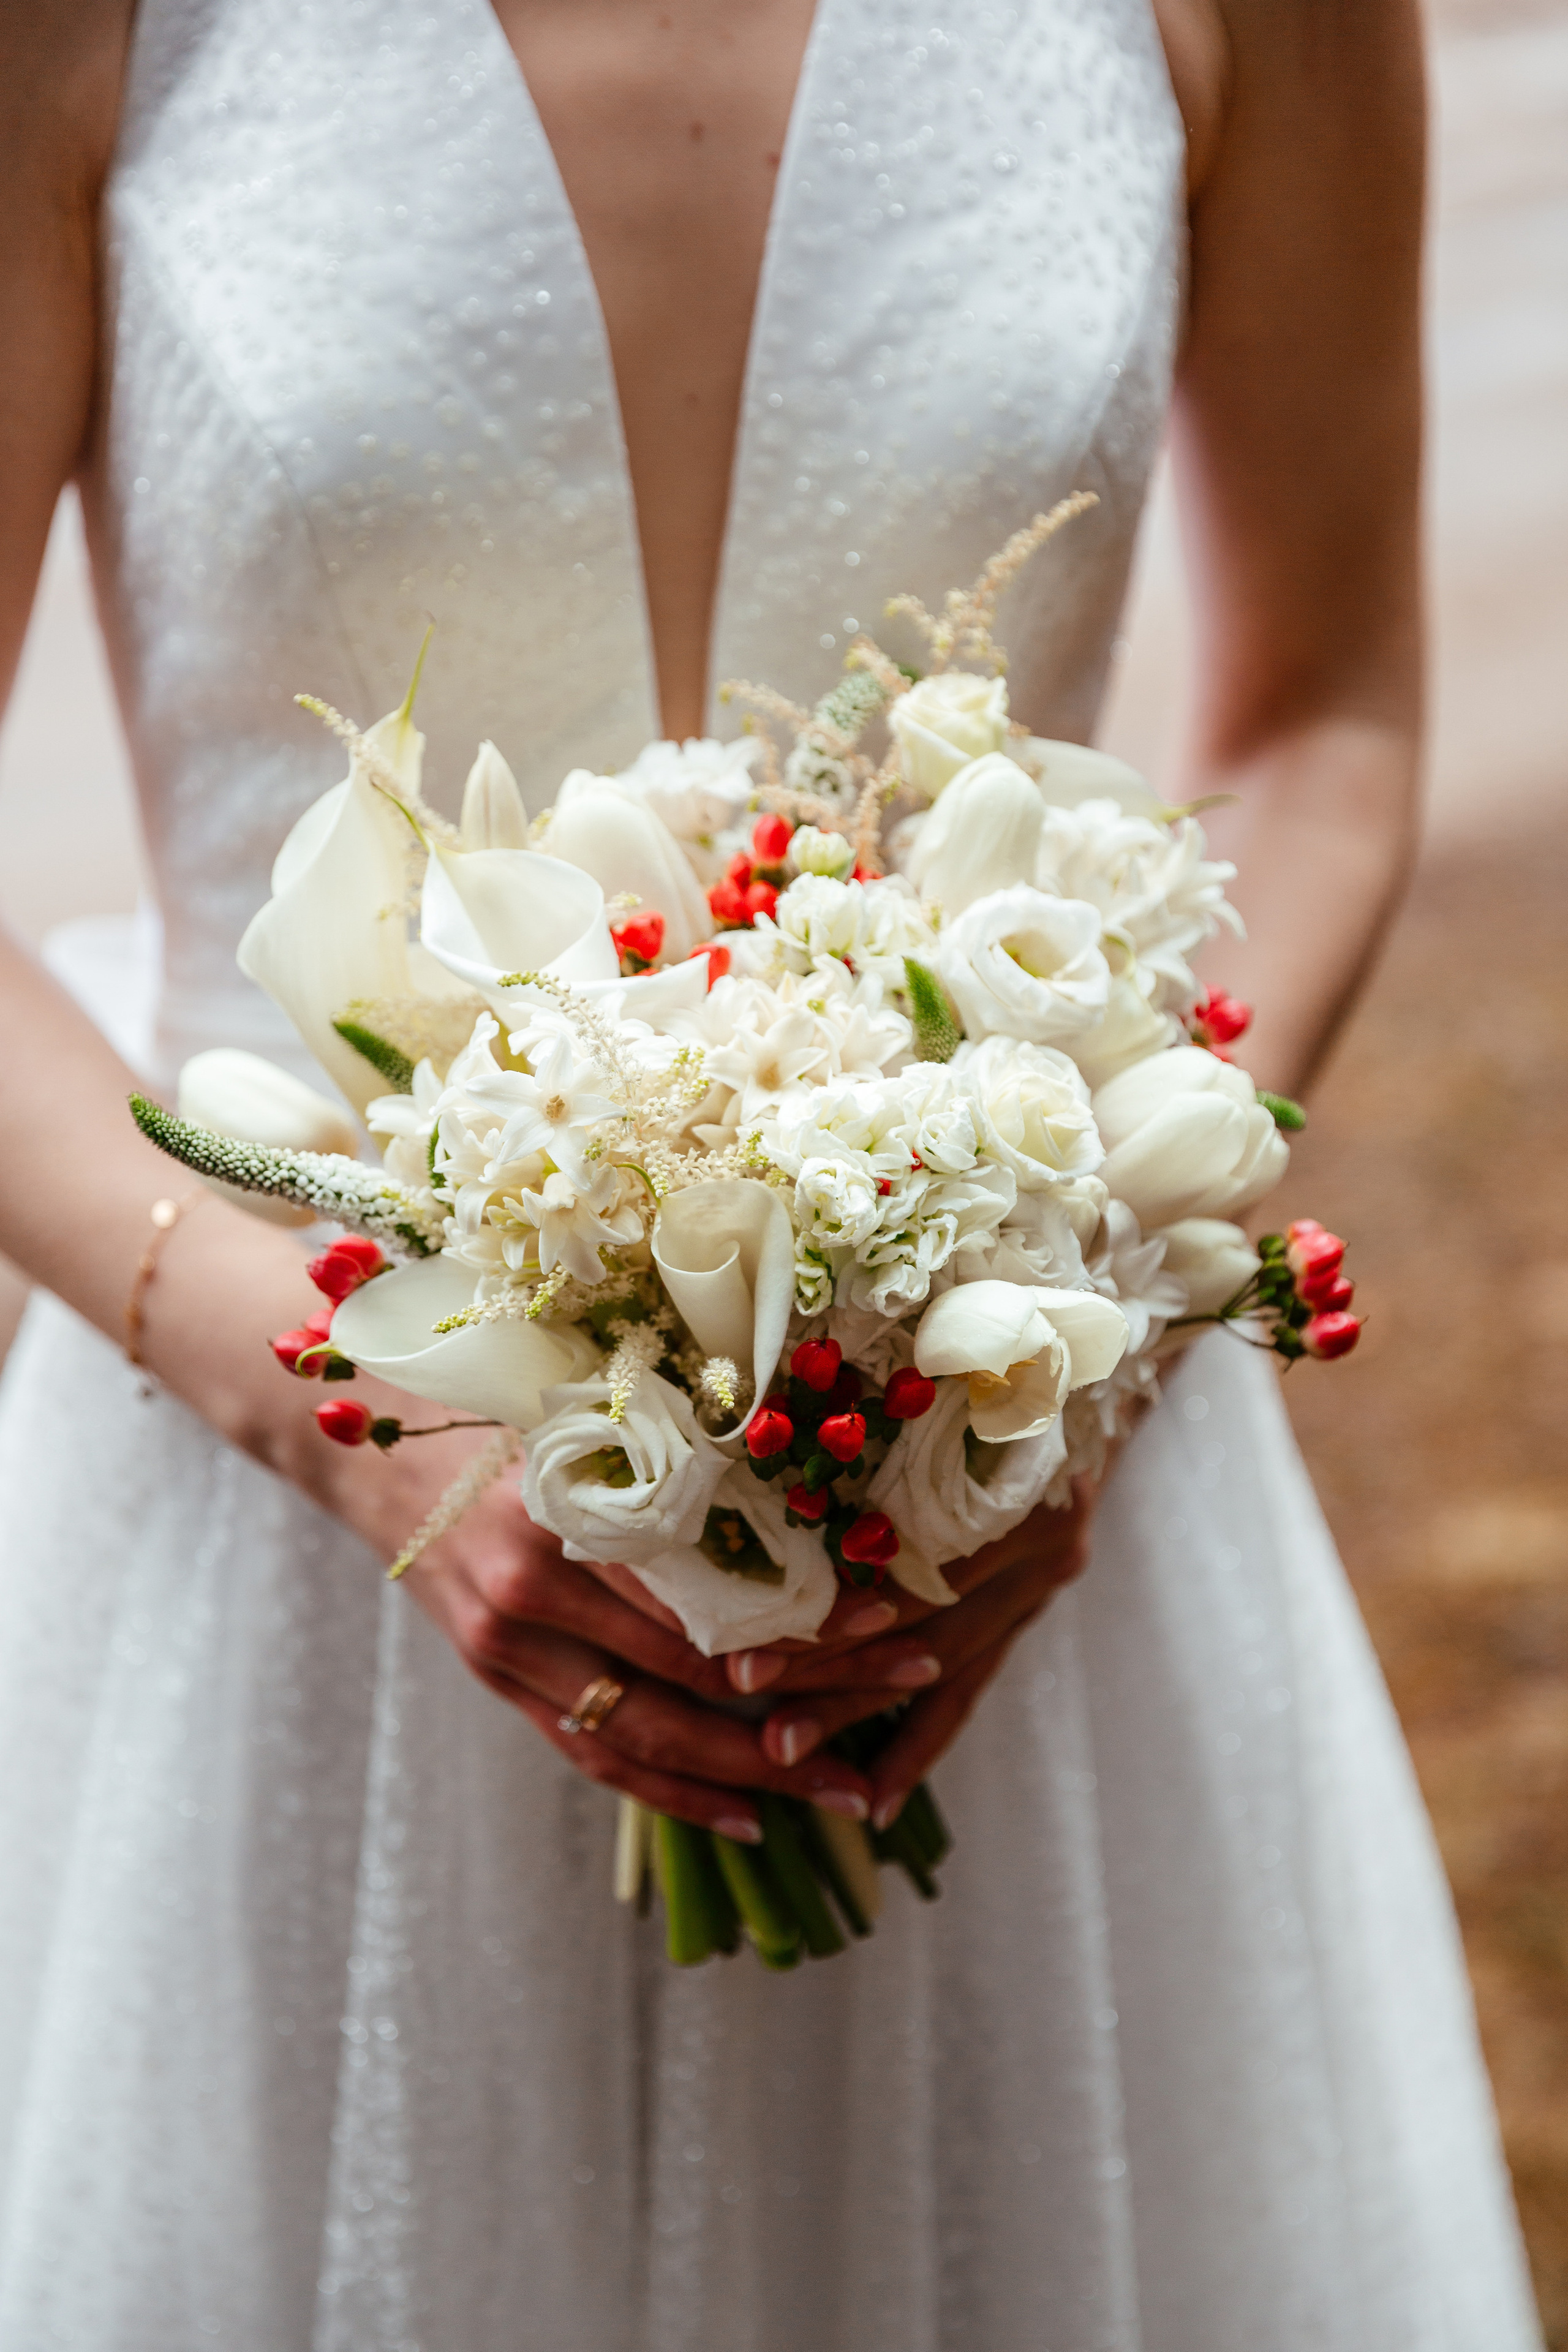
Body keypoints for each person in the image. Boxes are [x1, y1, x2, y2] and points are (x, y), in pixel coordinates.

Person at [0, 0, 1544, 2343]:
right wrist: (335, 1410)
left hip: (1006, 1528)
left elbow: (1328, 712)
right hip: (265, 1536)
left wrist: (1069, 1331)